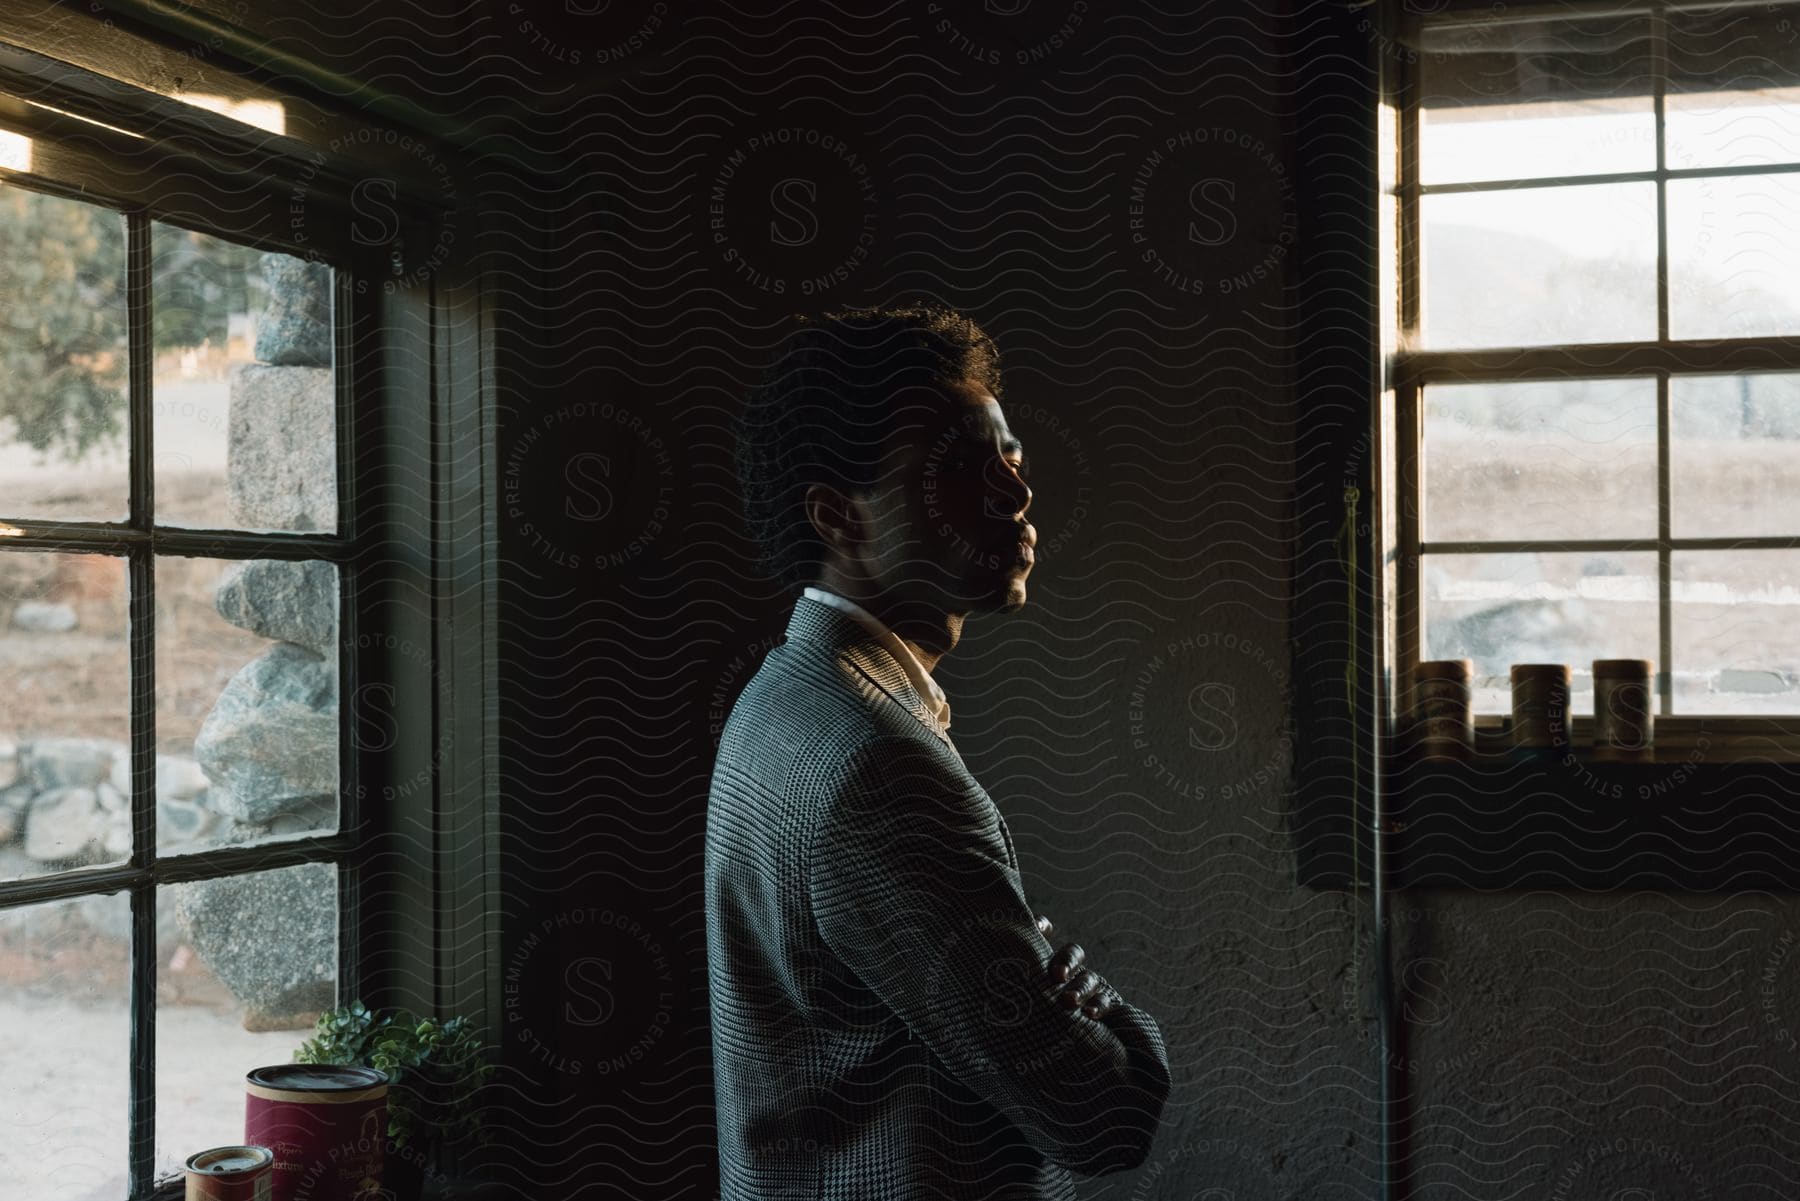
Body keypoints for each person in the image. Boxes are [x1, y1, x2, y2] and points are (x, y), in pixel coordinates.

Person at [706, 304, 1171, 1199]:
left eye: (1013, 455)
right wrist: (1091, 1000)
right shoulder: (883, 768)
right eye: (960, 466)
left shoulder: (778, 698)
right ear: (840, 516)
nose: (1014, 492)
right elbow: (1107, 1111)